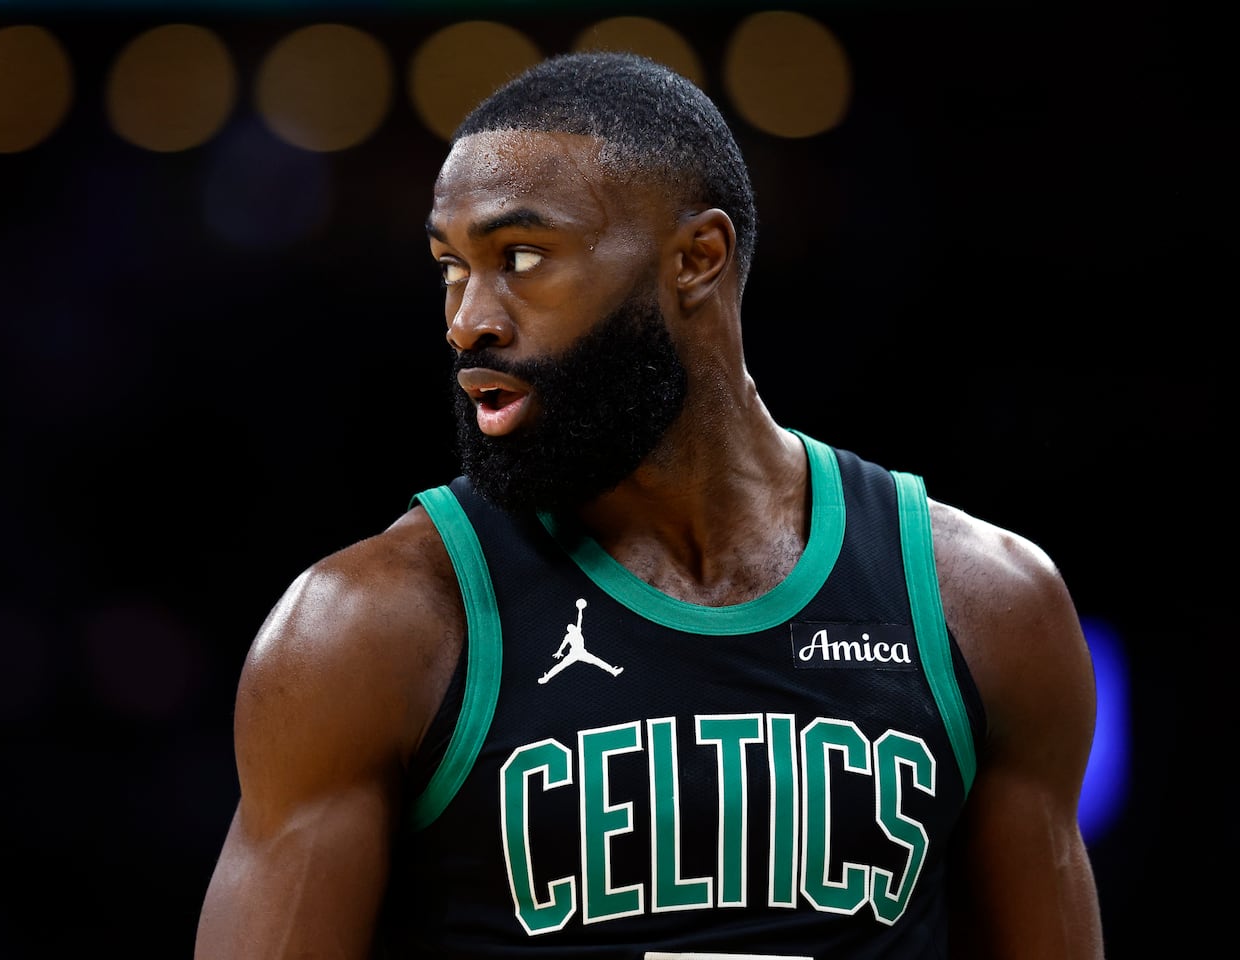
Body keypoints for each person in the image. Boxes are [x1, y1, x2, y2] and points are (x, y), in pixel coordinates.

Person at [194, 51, 1104, 958]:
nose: (468, 319)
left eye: (520, 256)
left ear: (697, 259)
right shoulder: (368, 626)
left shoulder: (982, 604)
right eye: (450, 265)